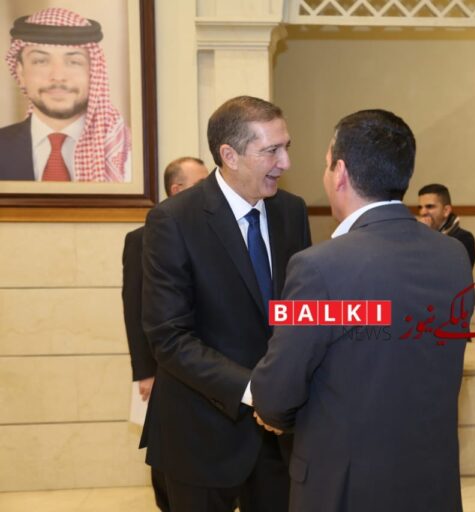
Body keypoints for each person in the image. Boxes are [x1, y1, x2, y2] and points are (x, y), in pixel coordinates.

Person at [250, 110, 475, 512]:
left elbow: (275, 393)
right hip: (431, 482)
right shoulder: (453, 255)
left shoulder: (316, 267)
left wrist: (273, 408)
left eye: (326, 164)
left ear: (340, 172)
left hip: (345, 490)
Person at [141, 96, 311, 512]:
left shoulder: (291, 211)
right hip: (200, 433)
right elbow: (169, 337)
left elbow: (296, 312)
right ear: (230, 155)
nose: (285, 162)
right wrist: (255, 390)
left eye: (286, 147)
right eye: (272, 150)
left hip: (278, 439)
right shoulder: (174, 220)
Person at [121, 157, 208, 512]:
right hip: (163, 365)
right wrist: (145, 371)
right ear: (177, 189)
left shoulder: (210, 230)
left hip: (203, 362)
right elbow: (135, 306)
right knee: (167, 449)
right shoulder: (141, 239)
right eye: (201, 183)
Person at [0, 7, 130, 182]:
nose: (58, 76)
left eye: (74, 62)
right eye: (41, 61)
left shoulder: (127, 153)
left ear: (93, 72)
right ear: (21, 73)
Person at [417, 183, 475, 267]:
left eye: (429, 206)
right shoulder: (416, 235)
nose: (423, 212)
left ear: (446, 210)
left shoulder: (463, 239)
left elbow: (444, 268)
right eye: (420, 207)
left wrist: (427, 235)